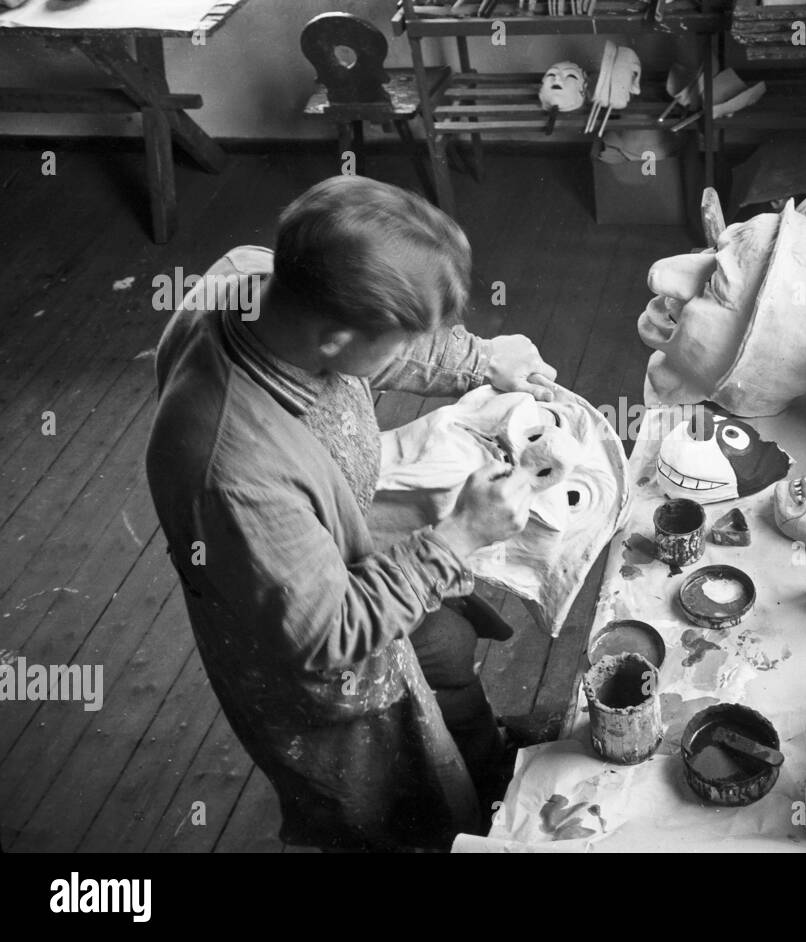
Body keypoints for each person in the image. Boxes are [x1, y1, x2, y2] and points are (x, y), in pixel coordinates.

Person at [146, 175, 559, 851]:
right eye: (401, 339)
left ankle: (490, 763)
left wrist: (479, 360)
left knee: (448, 646)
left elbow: (380, 342)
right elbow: (330, 631)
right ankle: (459, 821)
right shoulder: (233, 471)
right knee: (399, 798)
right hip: (312, 641)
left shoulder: (259, 282)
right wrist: (458, 536)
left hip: (345, 547)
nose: (408, 349)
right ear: (336, 340)